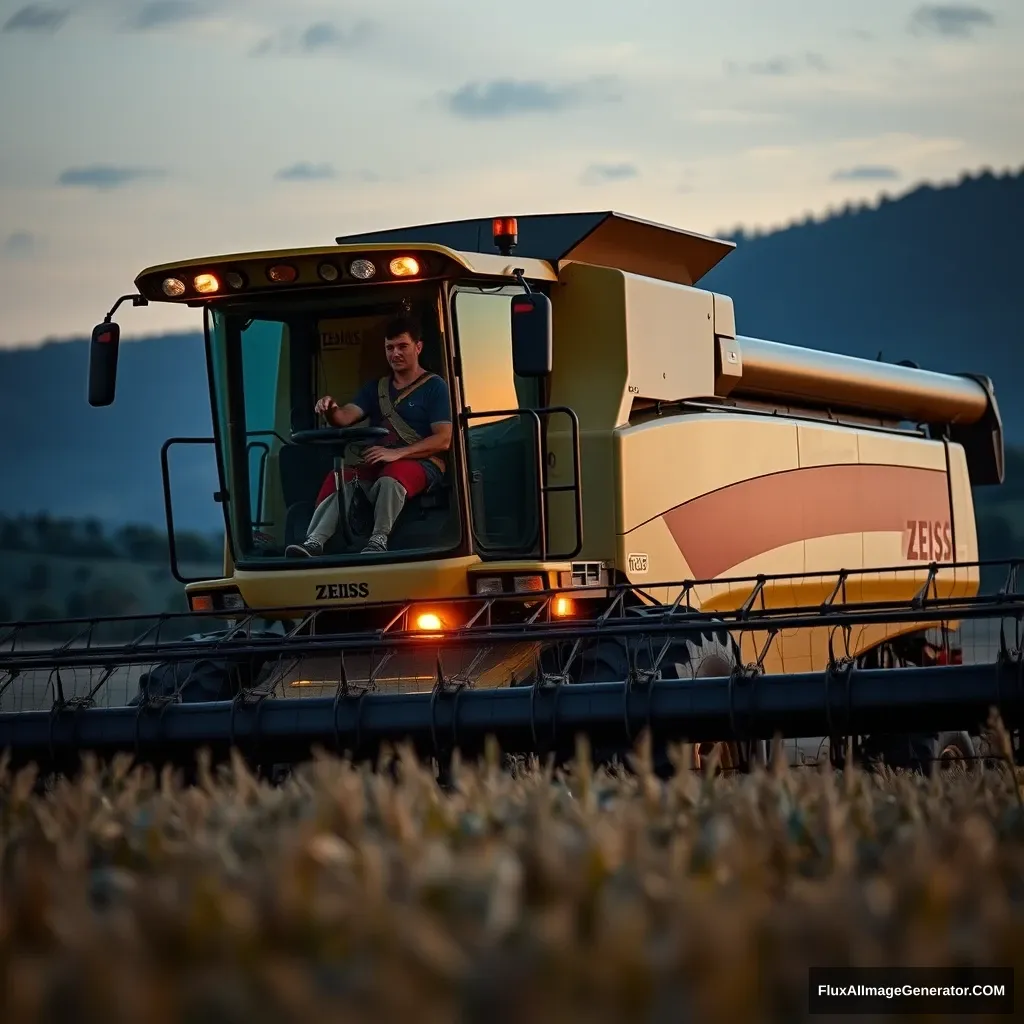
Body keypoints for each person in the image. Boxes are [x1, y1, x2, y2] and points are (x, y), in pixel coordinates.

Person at [286, 315, 452, 557]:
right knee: (341, 477)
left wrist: (397, 453)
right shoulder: (376, 388)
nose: (395, 353)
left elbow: (443, 439)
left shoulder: (435, 387)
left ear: (418, 347)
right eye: (389, 347)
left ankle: (378, 539)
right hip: (380, 461)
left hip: (423, 463)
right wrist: (330, 408)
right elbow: (344, 417)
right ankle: (314, 542)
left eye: (402, 346)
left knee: (391, 477)